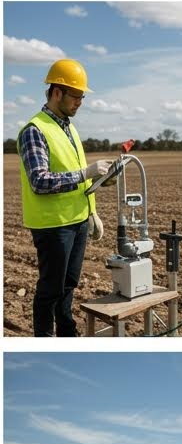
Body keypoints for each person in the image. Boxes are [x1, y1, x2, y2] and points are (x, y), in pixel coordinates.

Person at [18, 59, 112, 337]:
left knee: (69, 285)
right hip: (53, 226)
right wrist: (86, 172)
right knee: (51, 290)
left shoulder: (69, 128)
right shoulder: (34, 130)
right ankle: (45, 338)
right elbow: (40, 181)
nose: (80, 102)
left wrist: (93, 205)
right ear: (56, 92)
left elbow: (74, 176)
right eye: (76, 96)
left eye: (82, 97)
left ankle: (67, 334)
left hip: (78, 220)